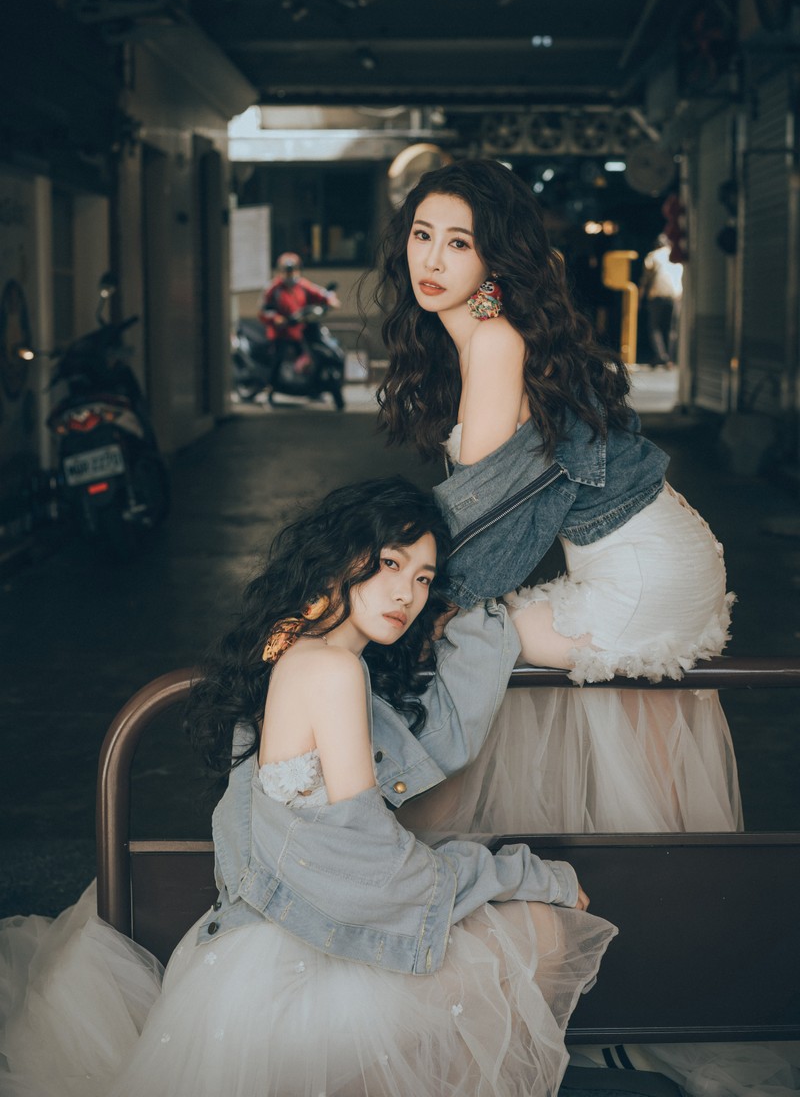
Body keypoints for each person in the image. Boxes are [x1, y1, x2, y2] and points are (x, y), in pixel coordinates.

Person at [0, 477, 615, 1097]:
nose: (406, 593)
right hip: (295, 970)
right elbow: (373, 866)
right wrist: (522, 874)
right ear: (341, 557)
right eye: (390, 563)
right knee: (543, 934)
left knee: (521, 939)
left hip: (260, 952)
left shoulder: (293, 647)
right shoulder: (331, 668)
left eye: (425, 578)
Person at [374, 158, 741, 838]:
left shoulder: (494, 341)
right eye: (423, 235)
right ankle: (675, 877)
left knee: (460, 647)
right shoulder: (484, 339)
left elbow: (484, 515)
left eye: (460, 242)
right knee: (645, 762)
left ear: (496, 256)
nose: (433, 258)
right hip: (663, 555)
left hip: (640, 573)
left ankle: (414, 843)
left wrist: (407, 593)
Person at [260, 251, 341, 383]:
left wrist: (331, 300)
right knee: (278, 358)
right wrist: (276, 318)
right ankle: (271, 385)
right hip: (281, 332)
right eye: (286, 270)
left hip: (301, 331)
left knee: (309, 356)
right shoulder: (273, 289)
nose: (290, 274)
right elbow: (264, 311)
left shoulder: (302, 285)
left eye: (292, 270)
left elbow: (321, 294)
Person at [640, 234, 682, 367]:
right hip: (675, 295)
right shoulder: (676, 256)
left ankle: (661, 355)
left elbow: (645, 278)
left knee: (654, 327)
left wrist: (640, 297)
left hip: (657, 295)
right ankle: (670, 359)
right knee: (672, 328)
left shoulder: (653, 256)